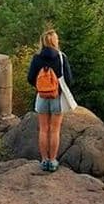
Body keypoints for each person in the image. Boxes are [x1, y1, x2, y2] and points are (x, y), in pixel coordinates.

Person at [27, 29, 74, 172]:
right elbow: (69, 79)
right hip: (57, 97)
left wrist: (41, 87)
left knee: (43, 129)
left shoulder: (37, 58)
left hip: (41, 97)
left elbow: (30, 78)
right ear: (54, 41)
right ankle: (53, 161)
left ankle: (44, 161)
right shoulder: (61, 57)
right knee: (54, 130)